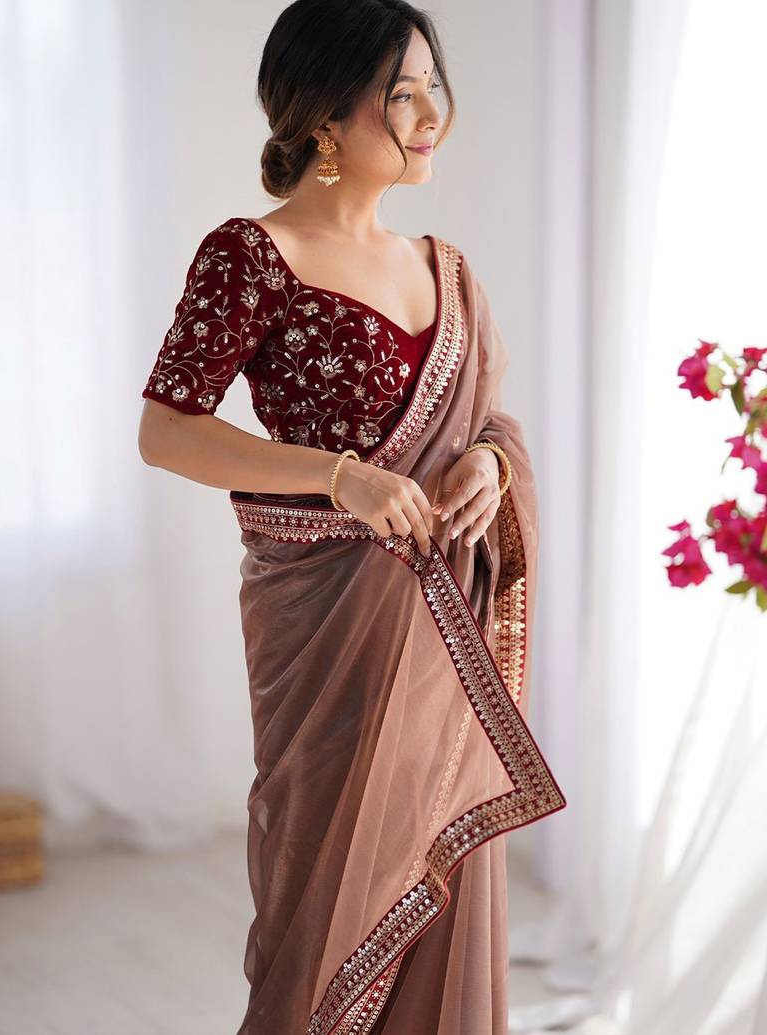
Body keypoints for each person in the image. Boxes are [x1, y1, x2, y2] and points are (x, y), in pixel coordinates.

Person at [138, 2, 566, 1031]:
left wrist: (491, 465)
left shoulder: (444, 268)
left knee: (442, 877)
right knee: (325, 900)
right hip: (329, 632)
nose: (431, 115)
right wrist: (342, 479)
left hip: (442, 644)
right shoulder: (251, 255)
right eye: (400, 93)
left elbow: (489, 420)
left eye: (433, 87)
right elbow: (168, 430)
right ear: (326, 114)